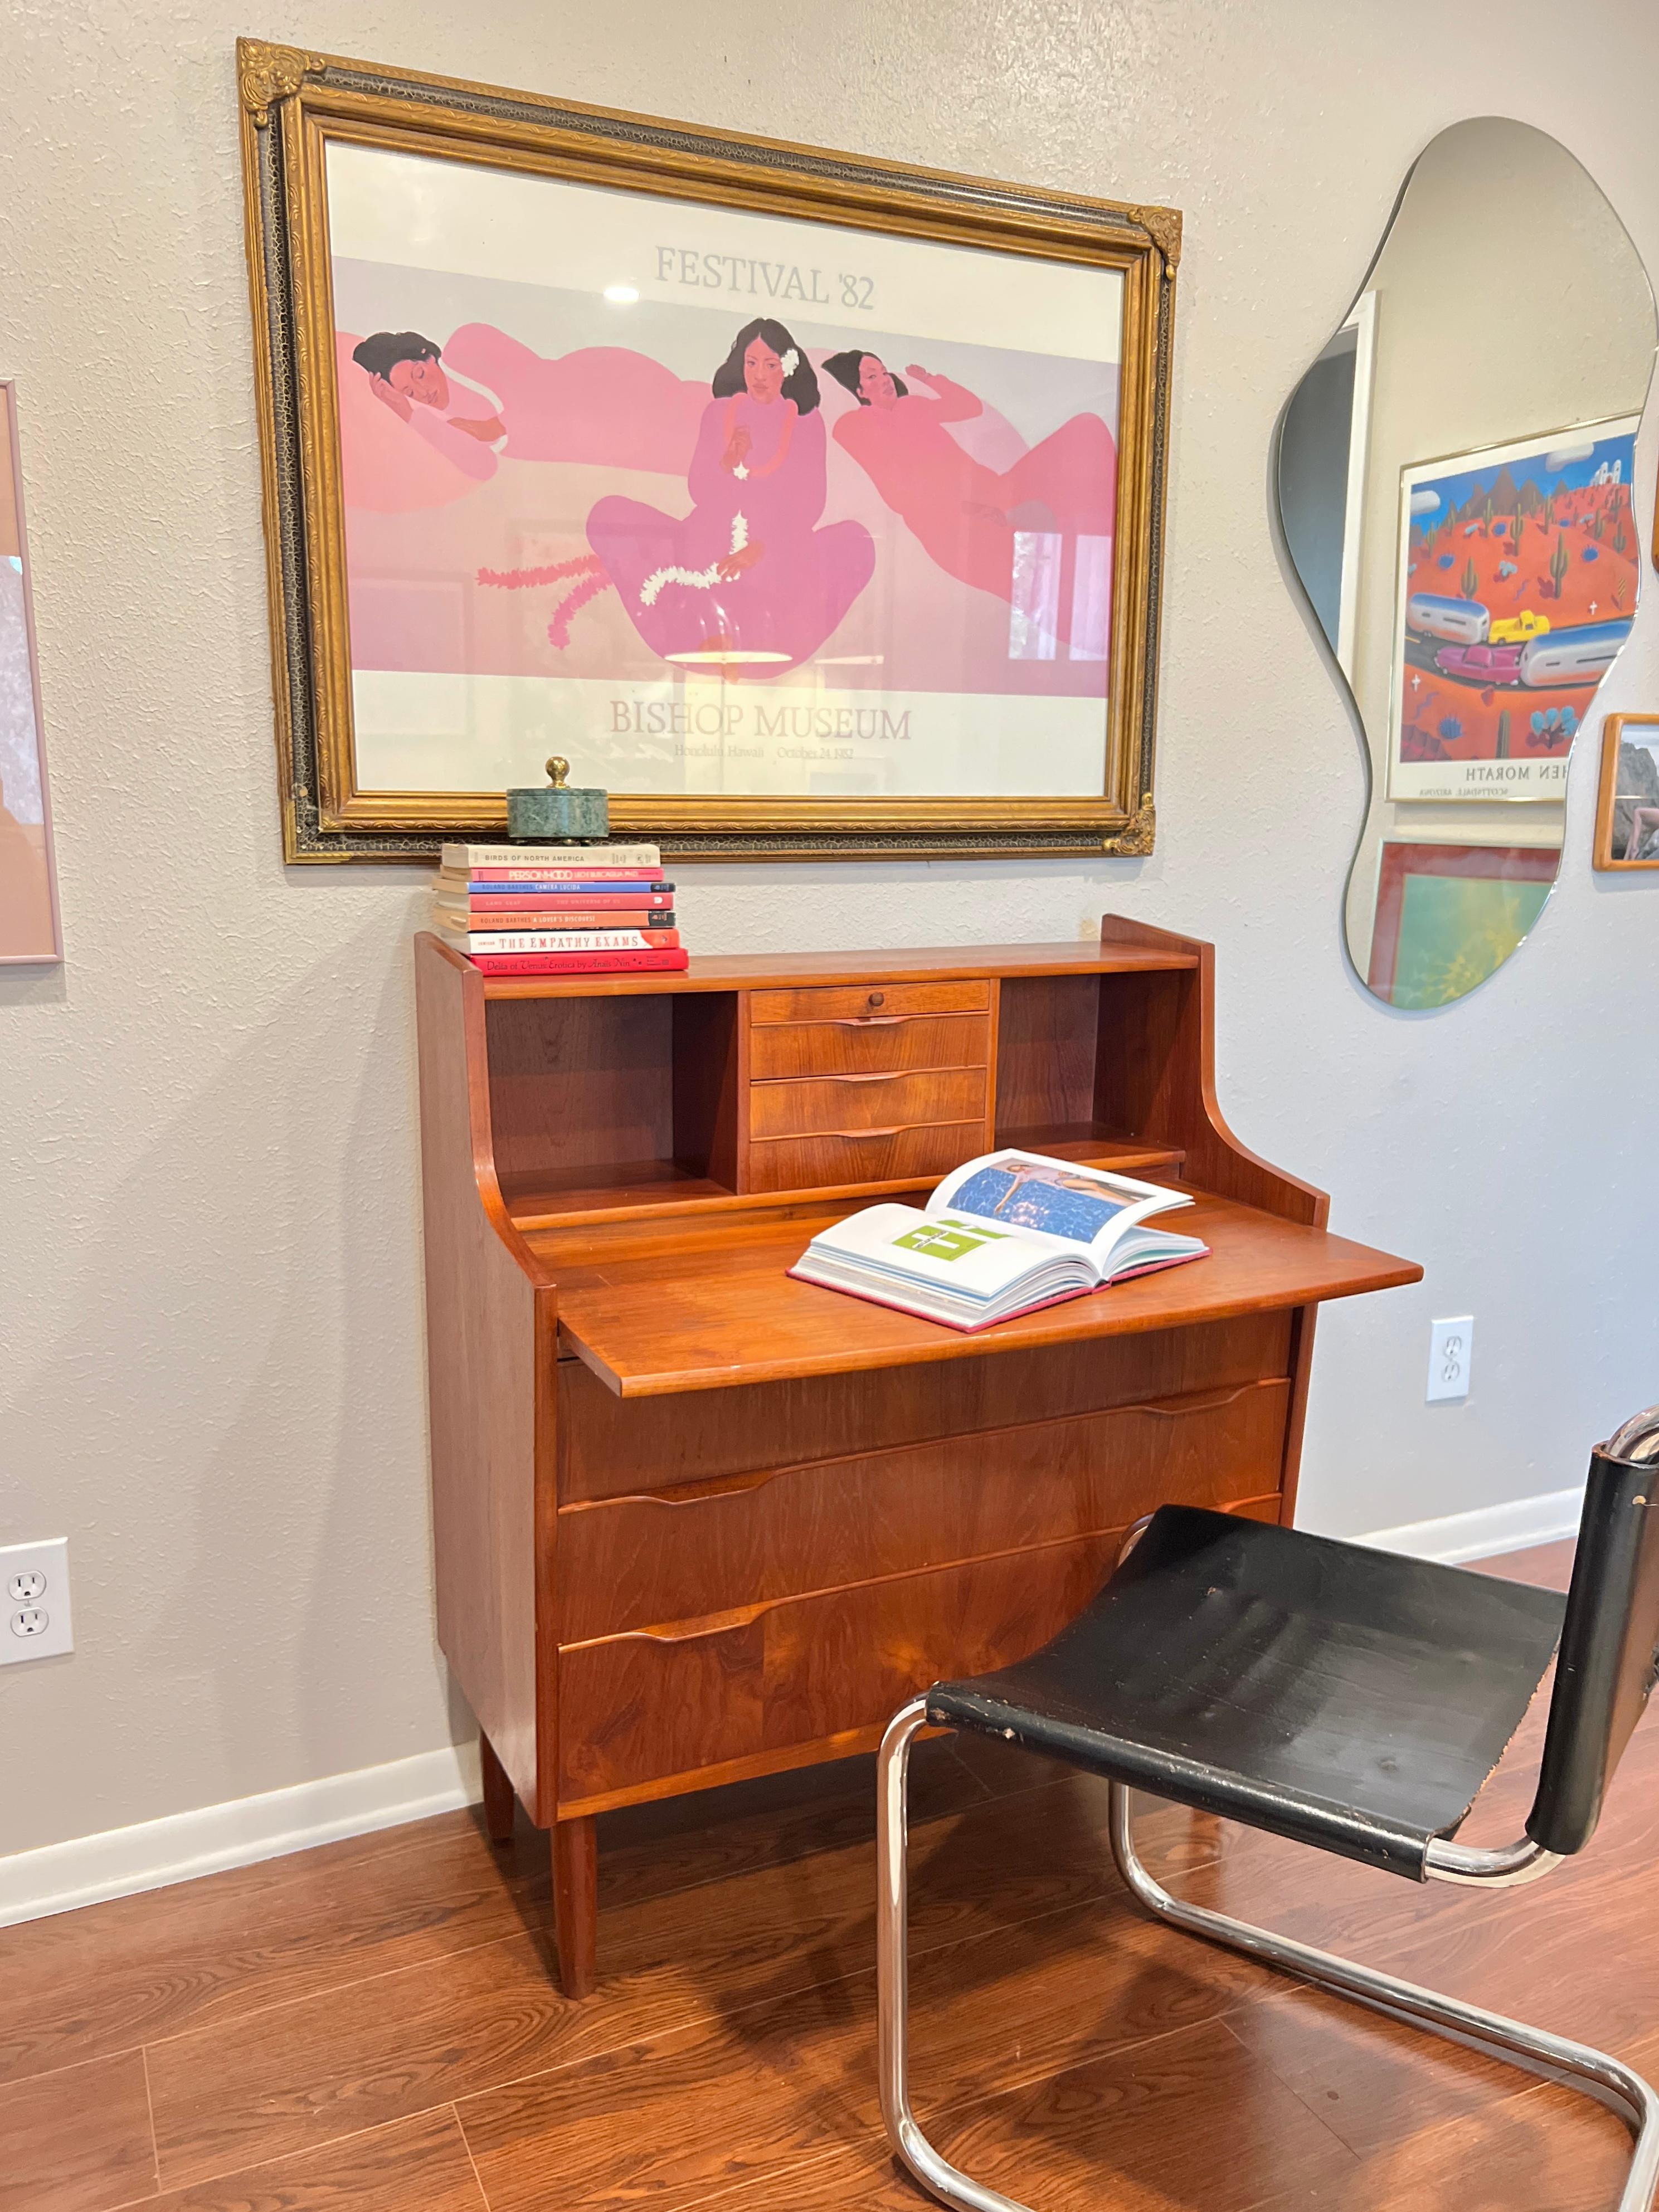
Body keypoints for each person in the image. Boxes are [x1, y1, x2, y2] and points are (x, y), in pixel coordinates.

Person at [583, 319, 874, 669]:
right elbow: (700, 490)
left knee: (853, 544)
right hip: (711, 531)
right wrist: (729, 460)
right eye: (751, 364)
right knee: (613, 516)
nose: (760, 375)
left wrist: (763, 547)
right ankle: (706, 637)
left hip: (780, 542)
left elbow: (810, 503)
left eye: (771, 365)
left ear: (789, 367)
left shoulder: (806, 423)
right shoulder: (720, 413)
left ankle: (753, 650)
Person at [821, 350, 1116, 647]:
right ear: (859, 391)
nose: (885, 380)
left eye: (885, 372)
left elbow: (968, 407)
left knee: (1085, 430)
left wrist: (929, 379)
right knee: (1051, 596)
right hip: (956, 528)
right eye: (873, 377)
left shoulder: (912, 407)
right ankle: (1105, 643)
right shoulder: (854, 427)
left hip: (999, 493)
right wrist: (969, 509)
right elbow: (898, 493)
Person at [349, 333, 504, 480]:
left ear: (430, 357)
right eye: (409, 393)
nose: (423, 392)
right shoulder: (429, 423)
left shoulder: (465, 353)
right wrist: (405, 412)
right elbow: (484, 466)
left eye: (420, 375)